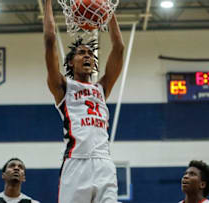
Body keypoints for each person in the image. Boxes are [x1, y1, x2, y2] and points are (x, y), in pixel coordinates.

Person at [43, 0, 124, 202]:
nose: (87, 56)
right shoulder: (63, 87)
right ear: (71, 61)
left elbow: (119, 48)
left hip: (104, 163)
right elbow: (50, 39)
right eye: (81, 53)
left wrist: (108, 10)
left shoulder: (101, 88)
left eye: (90, 53)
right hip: (76, 163)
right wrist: (48, 3)